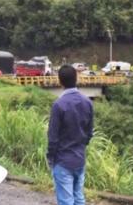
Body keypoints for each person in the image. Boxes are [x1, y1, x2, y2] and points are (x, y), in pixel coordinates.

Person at [47, 65, 94, 205]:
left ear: (60, 81)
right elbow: (89, 133)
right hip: (79, 158)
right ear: (76, 78)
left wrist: (50, 157)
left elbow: (53, 138)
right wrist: (80, 147)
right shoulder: (88, 102)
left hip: (63, 160)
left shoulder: (59, 105)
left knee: (66, 201)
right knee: (79, 197)